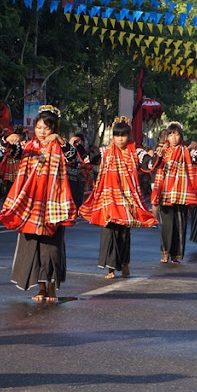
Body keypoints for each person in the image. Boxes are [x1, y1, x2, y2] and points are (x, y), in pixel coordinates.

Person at [0, 105, 77, 301]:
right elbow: (6, 151)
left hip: (53, 203)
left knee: (52, 247)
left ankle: (52, 288)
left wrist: (60, 140)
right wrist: (8, 140)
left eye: (47, 128)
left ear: (54, 129)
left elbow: (74, 158)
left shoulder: (60, 146)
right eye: (39, 127)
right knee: (33, 246)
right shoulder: (27, 146)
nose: (42, 132)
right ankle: (40, 288)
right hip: (31, 204)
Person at [79, 116, 158, 279]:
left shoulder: (136, 151)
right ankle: (111, 268)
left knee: (123, 232)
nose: (120, 138)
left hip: (127, 198)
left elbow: (148, 164)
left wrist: (156, 157)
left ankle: (124, 263)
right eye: (117, 135)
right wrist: (77, 146)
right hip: (108, 197)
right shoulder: (105, 151)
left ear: (129, 135)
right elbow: (88, 159)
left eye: (123, 135)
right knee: (108, 230)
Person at [150, 122, 197, 264]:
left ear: (181, 136)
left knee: (180, 224)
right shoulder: (162, 150)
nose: (174, 138)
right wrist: (156, 156)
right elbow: (153, 165)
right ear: (167, 136)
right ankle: (165, 252)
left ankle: (177, 255)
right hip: (166, 191)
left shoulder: (186, 151)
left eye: (177, 134)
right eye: (171, 134)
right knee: (166, 225)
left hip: (181, 193)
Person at [0, 125, 24, 196]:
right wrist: (6, 139)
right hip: (11, 166)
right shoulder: (11, 142)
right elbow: (2, 147)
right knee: (10, 185)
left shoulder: (26, 143)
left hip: (21, 166)